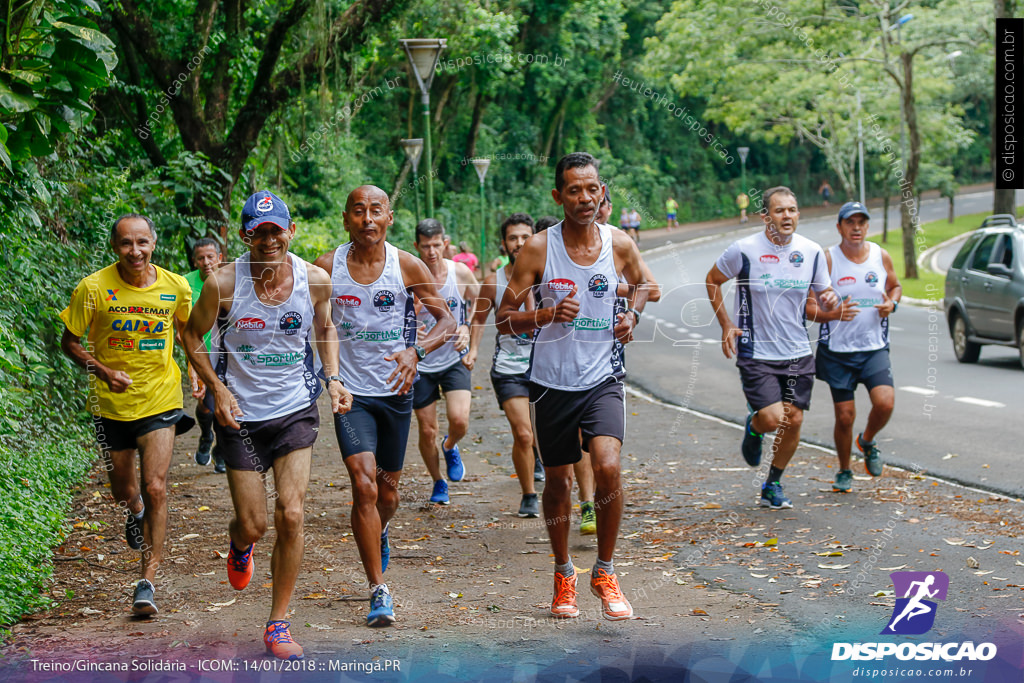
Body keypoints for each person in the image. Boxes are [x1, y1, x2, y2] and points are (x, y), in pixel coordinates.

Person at [184, 190, 352, 660]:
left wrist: (333, 378)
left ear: (290, 231)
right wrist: (216, 387)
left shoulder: (315, 280)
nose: (269, 239)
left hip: (296, 408)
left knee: (292, 515)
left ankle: (278, 622)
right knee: (255, 524)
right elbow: (191, 335)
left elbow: (326, 327)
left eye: (276, 230)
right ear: (245, 235)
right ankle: (241, 544)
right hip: (240, 415)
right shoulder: (222, 284)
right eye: (259, 232)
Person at [497, 152, 648, 621]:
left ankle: (604, 570)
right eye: (575, 190)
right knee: (559, 481)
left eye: (592, 188)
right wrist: (544, 314)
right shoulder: (539, 250)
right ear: (558, 195)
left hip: (603, 377)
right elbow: (503, 319)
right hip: (549, 383)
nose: (585, 198)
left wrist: (632, 315)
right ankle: (564, 572)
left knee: (607, 467)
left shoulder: (619, 243)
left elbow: (643, 285)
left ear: (602, 191)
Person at [315, 186, 455, 627]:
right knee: (365, 486)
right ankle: (378, 589)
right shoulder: (326, 268)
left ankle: (382, 528)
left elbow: (447, 321)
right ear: (346, 219)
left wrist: (418, 352)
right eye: (359, 211)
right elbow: (308, 319)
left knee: (388, 492)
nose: (367, 219)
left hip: (396, 392)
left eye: (376, 211)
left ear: (389, 218)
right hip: (350, 395)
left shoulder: (406, 265)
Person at [60, 213, 193, 617]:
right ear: (114, 247)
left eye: (142, 243)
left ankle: (146, 582)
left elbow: (188, 332)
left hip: (160, 398)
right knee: (124, 489)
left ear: (154, 243)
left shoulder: (176, 286)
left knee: (156, 487)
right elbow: (70, 343)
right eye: (125, 244)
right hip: (109, 404)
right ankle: (135, 512)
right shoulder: (93, 288)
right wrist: (102, 370)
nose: (134, 251)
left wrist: (199, 375)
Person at [705, 186, 838, 509]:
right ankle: (754, 426)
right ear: (766, 216)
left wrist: (830, 297)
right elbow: (712, 280)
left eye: (792, 210)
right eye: (780, 211)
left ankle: (773, 483)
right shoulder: (744, 250)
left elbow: (824, 291)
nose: (787, 216)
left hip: (797, 351)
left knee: (793, 421)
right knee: (772, 417)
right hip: (756, 351)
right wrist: (726, 324)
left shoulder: (811, 251)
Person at [805, 202, 901, 493]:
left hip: (873, 347)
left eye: (862, 222)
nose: (856, 227)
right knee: (845, 417)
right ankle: (845, 470)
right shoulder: (828, 259)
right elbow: (809, 305)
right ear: (840, 227)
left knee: (885, 402)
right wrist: (832, 313)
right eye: (850, 222)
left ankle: (867, 441)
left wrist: (891, 304)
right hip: (837, 351)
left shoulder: (880, 256)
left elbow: (895, 286)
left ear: (867, 226)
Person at [466, 213, 543, 518]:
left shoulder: (548, 277)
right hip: (510, 367)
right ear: (503, 243)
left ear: (534, 239)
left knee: (542, 435)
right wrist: (472, 350)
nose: (519, 243)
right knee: (523, 434)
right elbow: (479, 319)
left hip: (546, 368)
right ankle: (529, 494)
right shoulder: (493, 281)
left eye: (525, 237)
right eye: (513, 238)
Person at [411, 219, 480, 505]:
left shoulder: (460, 273)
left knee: (459, 421)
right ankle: (439, 482)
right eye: (425, 246)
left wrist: (467, 329)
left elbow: (480, 302)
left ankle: (450, 445)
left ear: (445, 243)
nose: (431, 251)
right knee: (427, 430)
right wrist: (410, 327)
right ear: (416, 246)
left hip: (453, 357)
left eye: (436, 245)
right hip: (422, 361)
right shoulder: (409, 275)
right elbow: (392, 313)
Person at [183, 237, 226, 472]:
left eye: (211, 257)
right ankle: (206, 436)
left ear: (220, 258)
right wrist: (191, 362)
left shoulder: (230, 282)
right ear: (194, 261)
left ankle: (221, 451)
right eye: (200, 258)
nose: (206, 262)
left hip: (228, 356)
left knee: (224, 404)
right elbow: (182, 329)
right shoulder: (185, 285)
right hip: (201, 355)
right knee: (207, 406)